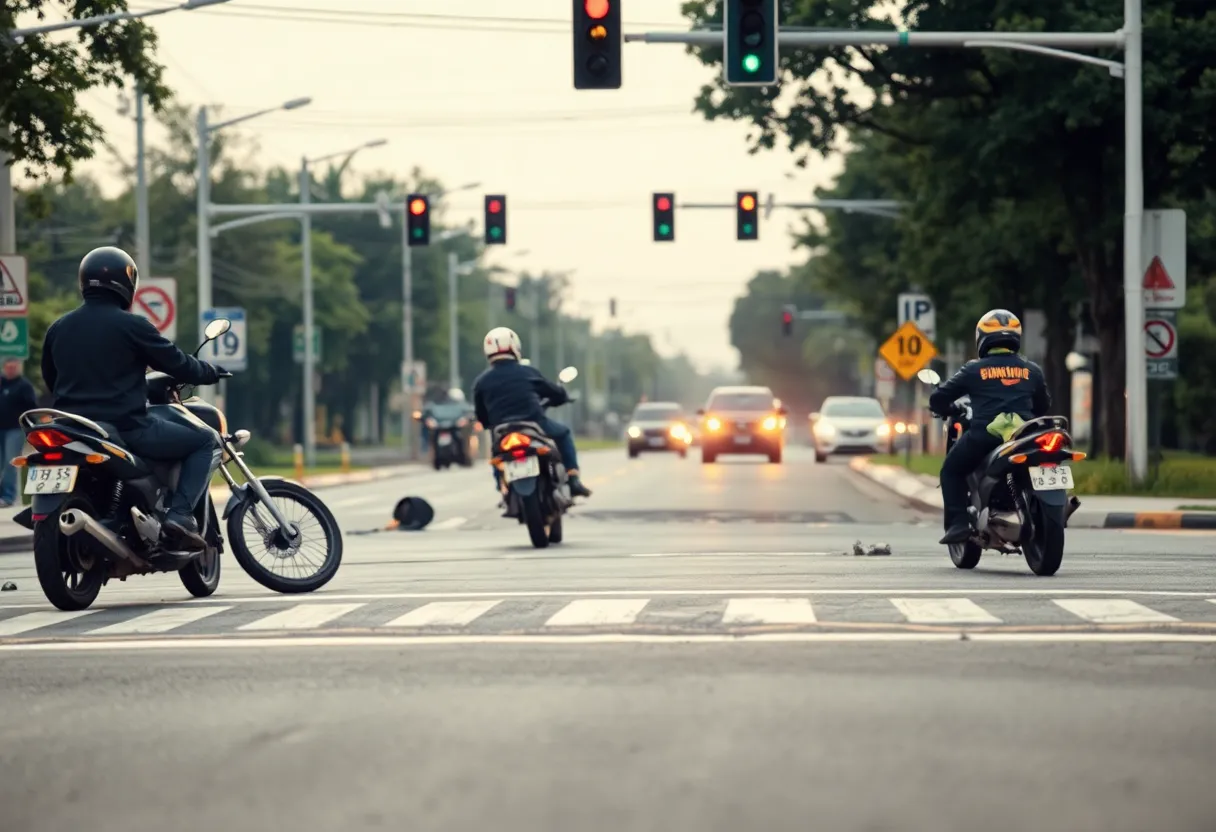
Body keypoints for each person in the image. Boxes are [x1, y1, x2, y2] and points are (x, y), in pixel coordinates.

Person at [41, 247, 227, 552]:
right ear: (126, 283)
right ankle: (179, 516)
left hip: (72, 427)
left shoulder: (58, 328)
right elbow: (177, 363)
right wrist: (208, 371)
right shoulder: (133, 326)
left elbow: (51, 378)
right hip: (127, 427)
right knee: (206, 441)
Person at [928, 308, 1051, 545]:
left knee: (950, 471)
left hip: (986, 435)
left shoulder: (974, 369)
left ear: (982, 338)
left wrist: (949, 409)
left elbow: (938, 398)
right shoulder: (1032, 370)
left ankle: (958, 525)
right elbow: (1043, 405)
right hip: (1024, 436)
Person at [472, 326, 592, 500]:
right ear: (515, 347)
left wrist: (488, 423)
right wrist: (562, 396)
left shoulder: (481, 381)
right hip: (534, 422)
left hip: (501, 429)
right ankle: (573, 478)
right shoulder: (528, 372)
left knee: (497, 453)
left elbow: (481, 414)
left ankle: (501, 486)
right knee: (564, 433)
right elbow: (554, 392)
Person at [0, 359, 38, 507]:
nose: (10, 370)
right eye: (8, 368)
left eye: (13, 368)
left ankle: (8, 496)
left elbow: (31, 406)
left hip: (15, 429)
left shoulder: (24, 386)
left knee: (11, 462)